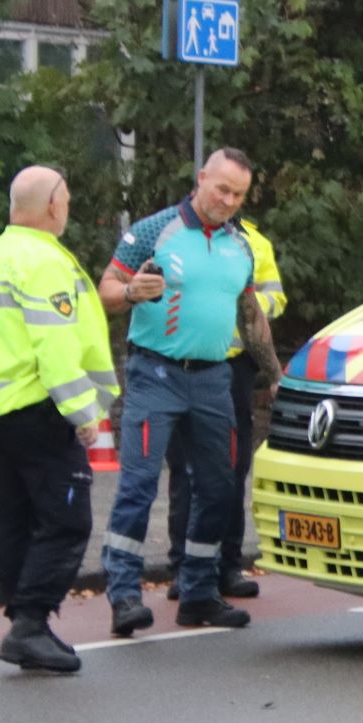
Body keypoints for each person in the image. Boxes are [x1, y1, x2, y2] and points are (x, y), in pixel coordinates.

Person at [97, 149, 262, 637]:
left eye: (239, 195)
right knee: (138, 485)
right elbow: (105, 287)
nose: (229, 201)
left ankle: (198, 593)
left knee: (218, 488)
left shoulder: (241, 246)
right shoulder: (154, 231)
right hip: (156, 376)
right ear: (201, 179)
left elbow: (251, 316)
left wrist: (274, 375)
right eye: (222, 189)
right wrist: (130, 293)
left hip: (214, 379)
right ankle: (124, 596)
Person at [0, 165, 116, 675]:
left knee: (15, 518)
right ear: (53, 205)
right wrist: (83, 411)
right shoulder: (43, 262)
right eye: (66, 199)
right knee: (68, 520)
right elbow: (55, 344)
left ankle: (25, 623)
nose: (67, 208)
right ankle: (29, 624)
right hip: (40, 408)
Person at [163, 214, 284, 598]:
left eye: (233, 192)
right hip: (184, 362)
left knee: (231, 469)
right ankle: (182, 568)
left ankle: (228, 566)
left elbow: (275, 298)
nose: (225, 200)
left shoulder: (255, 242)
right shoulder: (174, 234)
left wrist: (240, 297)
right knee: (185, 470)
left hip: (233, 367)